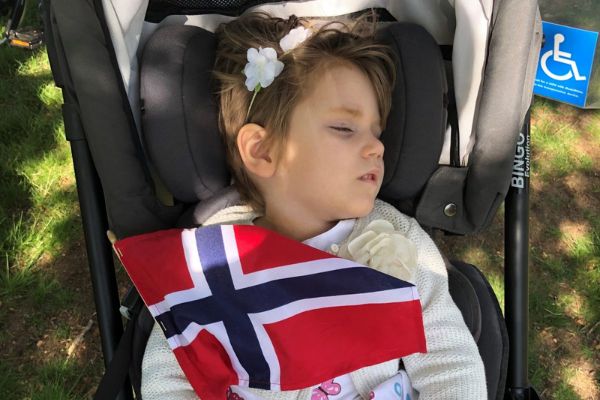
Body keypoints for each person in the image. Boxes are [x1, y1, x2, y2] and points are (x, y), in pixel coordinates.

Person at [141, 12, 487, 399]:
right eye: (344, 128)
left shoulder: (395, 239)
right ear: (263, 150)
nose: (377, 147)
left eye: (377, 132)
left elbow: (449, 362)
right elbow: (170, 377)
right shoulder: (212, 261)